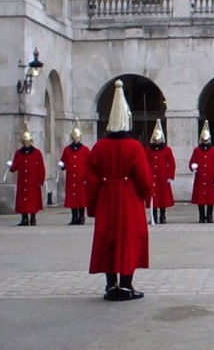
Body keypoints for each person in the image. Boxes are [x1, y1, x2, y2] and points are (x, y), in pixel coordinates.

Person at [86, 79, 153, 301]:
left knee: (108, 239)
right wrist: (147, 195)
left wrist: (92, 205)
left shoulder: (99, 147)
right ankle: (126, 284)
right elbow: (143, 177)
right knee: (129, 239)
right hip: (128, 196)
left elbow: (92, 178)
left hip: (106, 195)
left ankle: (110, 284)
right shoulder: (134, 146)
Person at [7, 122, 45, 226]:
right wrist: (10, 166)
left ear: (30, 141)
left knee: (32, 201)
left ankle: (33, 218)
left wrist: (41, 180)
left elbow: (41, 168)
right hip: (23, 180)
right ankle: (24, 218)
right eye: (25, 141)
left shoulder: (37, 153)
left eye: (27, 141)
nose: (26, 143)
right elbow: (15, 166)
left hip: (33, 181)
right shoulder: (18, 153)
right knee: (23, 200)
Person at [58, 119, 90, 225]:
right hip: (71, 178)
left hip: (81, 178)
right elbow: (63, 161)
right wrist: (62, 165)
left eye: (77, 137)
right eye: (74, 137)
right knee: (73, 198)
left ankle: (81, 217)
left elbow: (89, 164)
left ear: (80, 137)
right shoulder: (67, 150)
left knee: (81, 198)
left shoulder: (85, 150)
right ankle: (74, 217)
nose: (76, 139)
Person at [189, 120, 214, 223]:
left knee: (210, 198)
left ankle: (210, 216)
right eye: (203, 140)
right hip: (201, 177)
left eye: (206, 140)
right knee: (201, 198)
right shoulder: (197, 150)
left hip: (211, 178)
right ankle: (201, 216)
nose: (205, 142)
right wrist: (193, 167)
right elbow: (192, 162)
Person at [146, 119, 175, 224]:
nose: (157, 141)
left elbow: (171, 163)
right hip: (152, 177)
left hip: (163, 177)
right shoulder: (149, 150)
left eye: (158, 139)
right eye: (155, 139)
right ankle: (153, 216)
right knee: (153, 198)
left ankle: (162, 216)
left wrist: (170, 176)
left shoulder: (167, 150)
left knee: (163, 198)